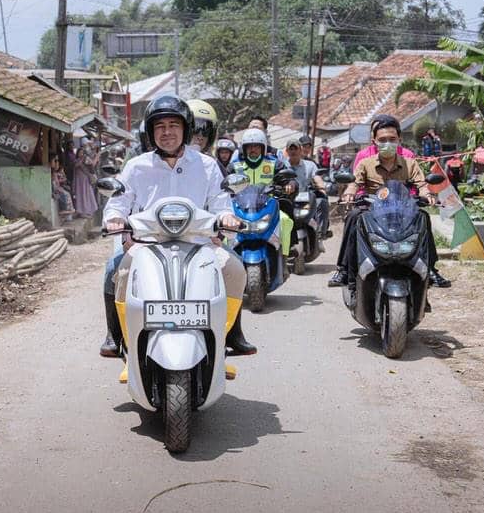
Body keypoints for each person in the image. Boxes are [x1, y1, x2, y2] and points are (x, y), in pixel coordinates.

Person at [99, 95, 257, 357]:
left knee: (235, 270)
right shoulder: (136, 167)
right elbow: (118, 201)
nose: (167, 132)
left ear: (186, 129)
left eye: (174, 125)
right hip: (147, 245)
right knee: (115, 271)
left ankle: (231, 332)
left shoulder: (207, 166)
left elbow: (221, 203)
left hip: (199, 244)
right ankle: (117, 336)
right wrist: (114, 218)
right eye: (160, 126)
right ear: (150, 132)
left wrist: (227, 219)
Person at [328, 115, 451, 289]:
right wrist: (349, 193)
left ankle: (430, 268)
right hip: (372, 210)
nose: (388, 143)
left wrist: (427, 195)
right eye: (383, 140)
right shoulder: (365, 163)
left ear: (399, 140)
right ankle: (344, 269)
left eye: (392, 139)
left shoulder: (410, 164)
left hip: (402, 211)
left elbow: (422, 184)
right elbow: (354, 183)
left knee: (423, 217)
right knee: (353, 217)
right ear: (374, 141)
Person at [228, 128, 294, 259]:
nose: (253, 150)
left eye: (256, 146)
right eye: (249, 147)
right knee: (226, 224)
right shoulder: (235, 166)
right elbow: (223, 182)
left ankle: (285, 255)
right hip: (241, 208)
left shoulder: (274, 164)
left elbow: (289, 179)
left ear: (263, 148)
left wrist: (290, 185)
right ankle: (226, 256)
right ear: (244, 149)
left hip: (267, 207)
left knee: (285, 220)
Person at [283, 139, 330, 244]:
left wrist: (322, 187)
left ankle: (321, 234)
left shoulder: (310, 165)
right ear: (287, 151)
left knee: (322, 201)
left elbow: (316, 177)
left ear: (301, 151)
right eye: (291, 149)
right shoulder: (282, 165)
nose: (293, 151)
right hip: (286, 199)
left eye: (296, 148)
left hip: (305, 198)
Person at [73, 138, 99, 218]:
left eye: (82, 152)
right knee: (80, 195)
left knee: (86, 194)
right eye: (80, 152)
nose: (81, 154)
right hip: (78, 180)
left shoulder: (86, 159)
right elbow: (75, 166)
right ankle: (81, 211)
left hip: (85, 179)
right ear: (77, 153)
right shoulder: (76, 160)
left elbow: (92, 165)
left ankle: (87, 211)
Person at [50, 155, 75, 222]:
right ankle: (64, 210)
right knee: (65, 194)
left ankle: (67, 213)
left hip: (57, 188)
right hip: (54, 189)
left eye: (57, 161)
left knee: (67, 193)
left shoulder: (55, 172)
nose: (57, 163)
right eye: (55, 161)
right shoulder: (51, 172)